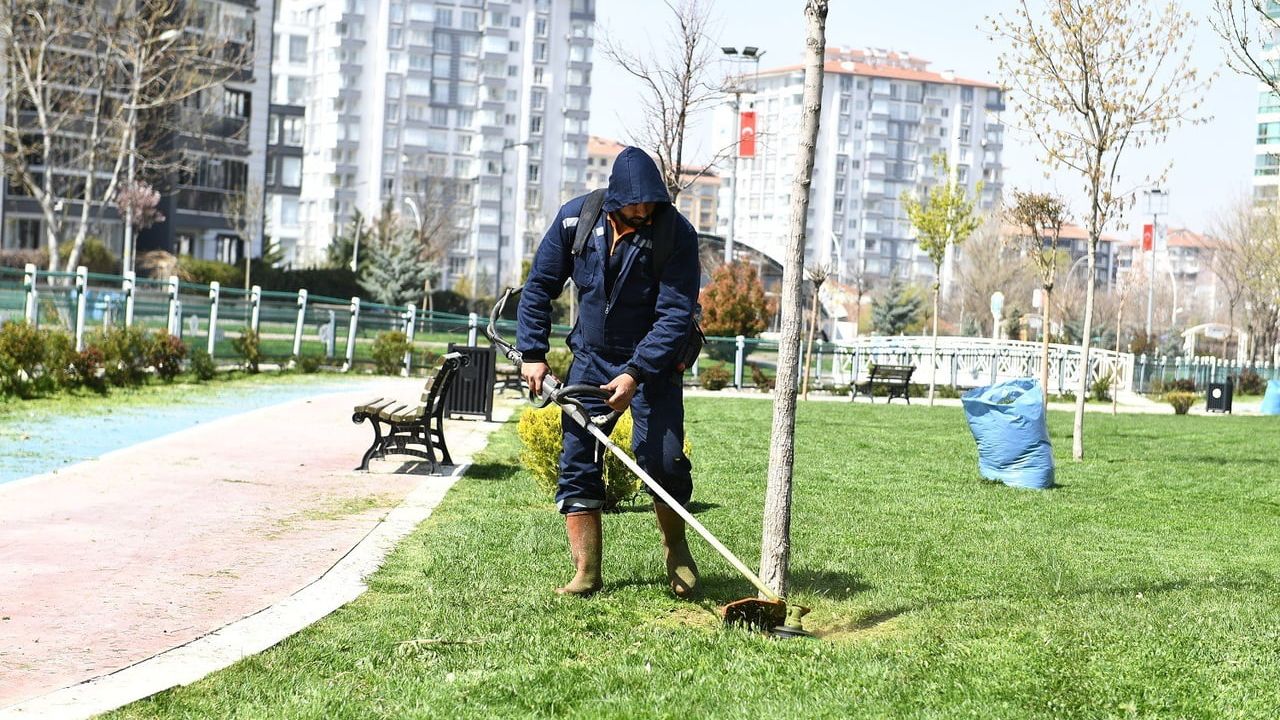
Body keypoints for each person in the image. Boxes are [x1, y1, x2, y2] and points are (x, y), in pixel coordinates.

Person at [516, 147, 701, 598]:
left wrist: (636, 372)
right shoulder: (574, 221)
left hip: (652, 362)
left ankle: (676, 550)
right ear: (616, 196)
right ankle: (586, 570)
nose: (643, 211)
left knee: (663, 456)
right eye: (634, 204)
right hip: (592, 359)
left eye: (650, 203)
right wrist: (532, 352)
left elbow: (675, 314)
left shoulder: (676, 234)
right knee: (578, 460)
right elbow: (540, 286)